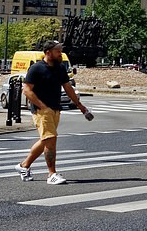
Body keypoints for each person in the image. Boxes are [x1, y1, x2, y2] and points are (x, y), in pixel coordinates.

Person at [14, 40, 93, 184]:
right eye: (58, 51)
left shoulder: (60, 68)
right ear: (48, 52)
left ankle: (23, 166)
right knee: (51, 140)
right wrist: (42, 106)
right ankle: (52, 174)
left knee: (46, 140)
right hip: (41, 110)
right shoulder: (36, 68)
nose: (61, 54)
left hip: (56, 109)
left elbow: (68, 87)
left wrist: (80, 106)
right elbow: (26, 90)